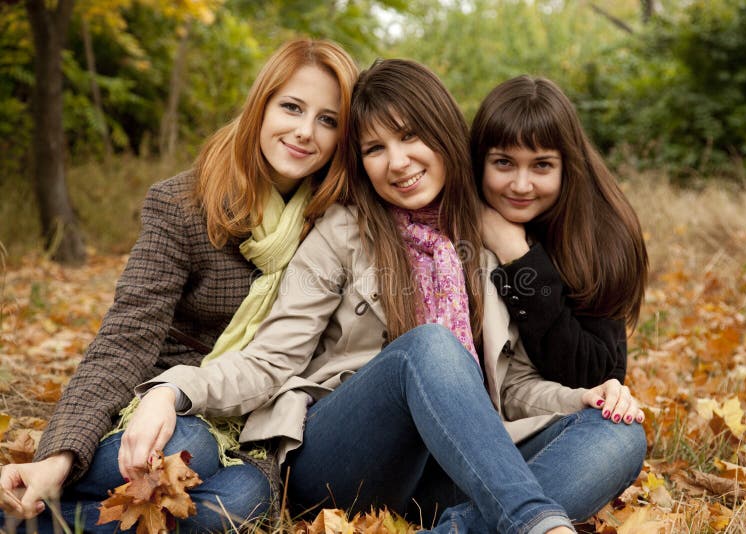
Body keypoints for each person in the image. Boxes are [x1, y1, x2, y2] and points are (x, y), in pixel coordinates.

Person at [121, 59, 647, 534]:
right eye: (375, 149)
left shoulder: (489, 238)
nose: (397, 162)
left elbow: (508, 392)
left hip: (447, 470)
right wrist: (173, 390)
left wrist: (580, 399)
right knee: (430, 348)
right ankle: (536, 523)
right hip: (343, 460)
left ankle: (463, 529)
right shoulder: (342, 233)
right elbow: (268, 360)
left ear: (443, 133)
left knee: (619, 435)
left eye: (410, 137)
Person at [0, 39, 358, 533]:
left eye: (328, 119)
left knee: (236, 505)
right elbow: (126, 340)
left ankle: (20, 524)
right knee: (183, 449)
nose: (304, 131)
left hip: (252, 429)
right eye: (292, 107)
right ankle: (48, 487)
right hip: (157, 404)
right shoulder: (183, 204)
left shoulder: (336, 223)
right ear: (261, 107)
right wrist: (58, 457)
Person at [470, 76, 649, 389]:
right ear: (479, 162)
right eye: (503, 163)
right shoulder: (454, 227)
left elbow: (597, 377)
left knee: (619, 435)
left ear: (568, 166)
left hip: (564, 415)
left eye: (541, 166)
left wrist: (518, 257)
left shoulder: (601, 235)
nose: (521, 185)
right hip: (481, 415)